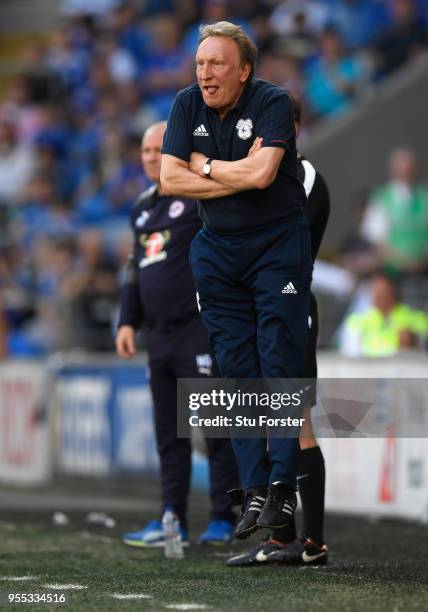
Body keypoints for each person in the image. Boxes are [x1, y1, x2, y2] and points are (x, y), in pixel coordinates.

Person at [160, 22, 312, 541]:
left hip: (276, 248)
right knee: (236, 373)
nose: (206, 74)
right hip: (218, 252)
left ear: (243, 70)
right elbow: (167, 178)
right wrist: (227, 171)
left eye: (217, 64)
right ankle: (252, 495)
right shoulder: (185, 104)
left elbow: (265, 175)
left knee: (279, 361)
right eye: (201, 64)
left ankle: (281, 488)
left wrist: (202, 167)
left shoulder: (272, 103)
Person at [116, 121, 239, 546]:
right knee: (168, 434)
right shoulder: (141, 208)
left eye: (159, 149)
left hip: (198, 331)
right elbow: (136, 271)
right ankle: (172, 519)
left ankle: (224, 516)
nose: (151, 157)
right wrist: (127, 321)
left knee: (214, 428)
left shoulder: (197, 195)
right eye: (146, 150)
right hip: (159, 336)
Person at [226, 94, 330, 566]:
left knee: (295, 418)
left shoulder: (304, 179)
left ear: (292, 128)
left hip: (287, 307)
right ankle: (280, 540)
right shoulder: (254, 175)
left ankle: (314, 542)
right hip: (252, 310)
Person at [340, 273, 428, 357]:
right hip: (368, 368)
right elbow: (350, 352)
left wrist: (412, 341)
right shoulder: (357, 320)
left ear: (393, 292)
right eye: (376, 292)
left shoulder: (415, 317)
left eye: (384, 291)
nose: (379, 296)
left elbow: (422, 345)